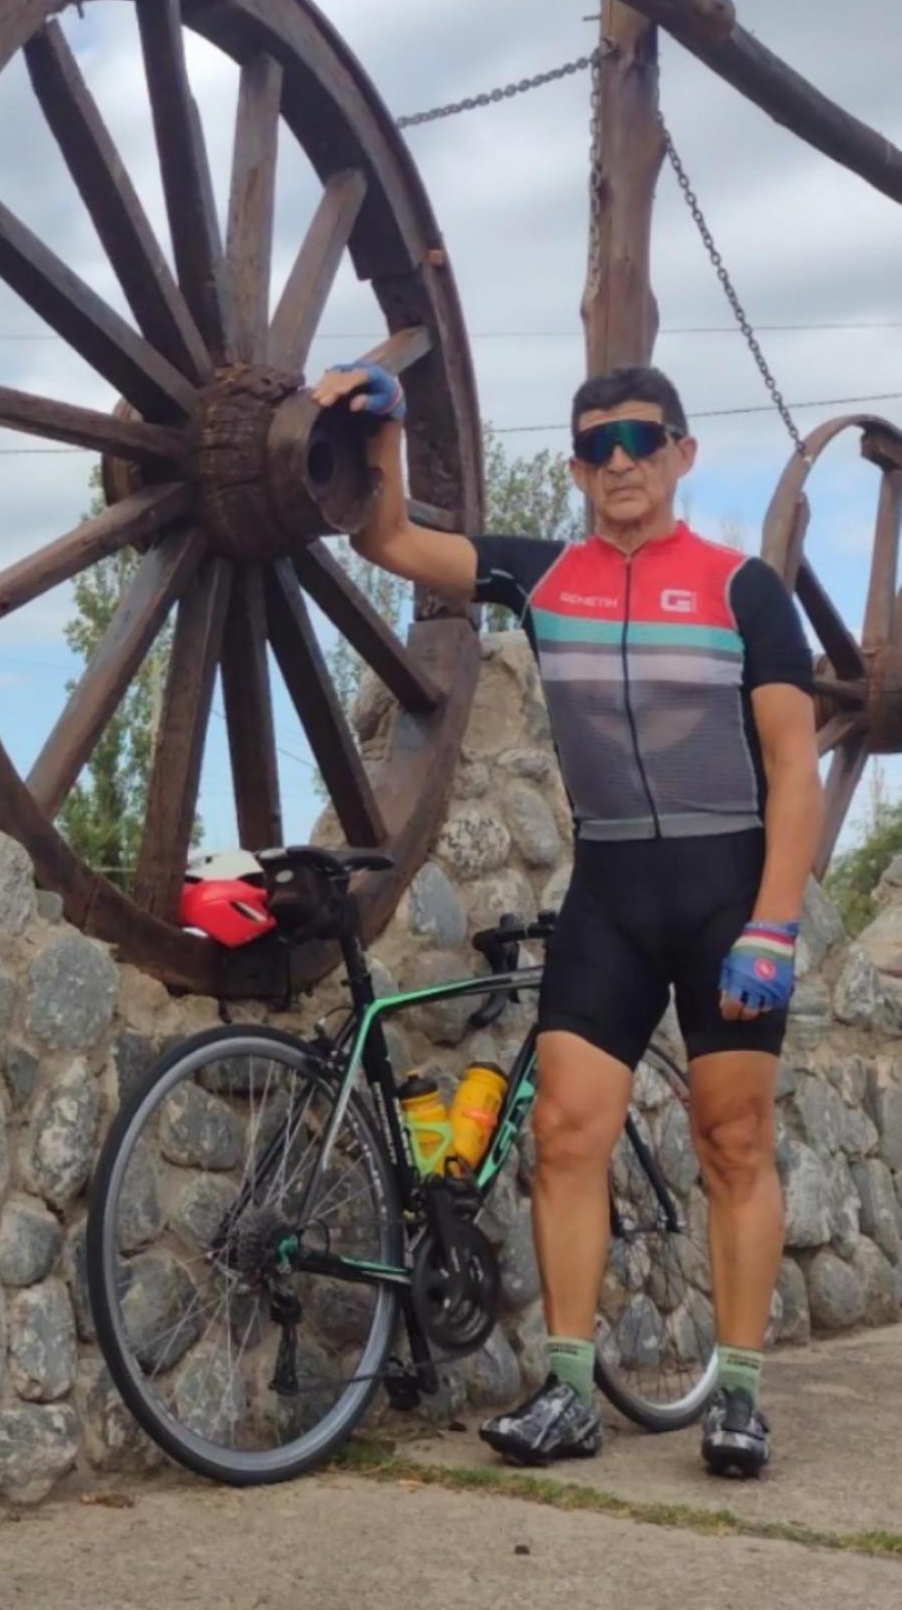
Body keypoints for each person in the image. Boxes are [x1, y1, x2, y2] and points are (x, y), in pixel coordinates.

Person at [310, 357, 822, 1479]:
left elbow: (794, 768)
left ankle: (739, 1395)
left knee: (732, 1140)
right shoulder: (541, 576)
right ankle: (568, 1391)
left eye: (641, 439)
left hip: (726, 891)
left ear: (682, 454)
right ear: (579, 469)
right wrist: (380, 431)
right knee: (564, 1134)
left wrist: (773, 924)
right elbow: (388, 540)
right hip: (611, 891)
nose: (619, 461)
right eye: (596, 446)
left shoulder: (743, 591)